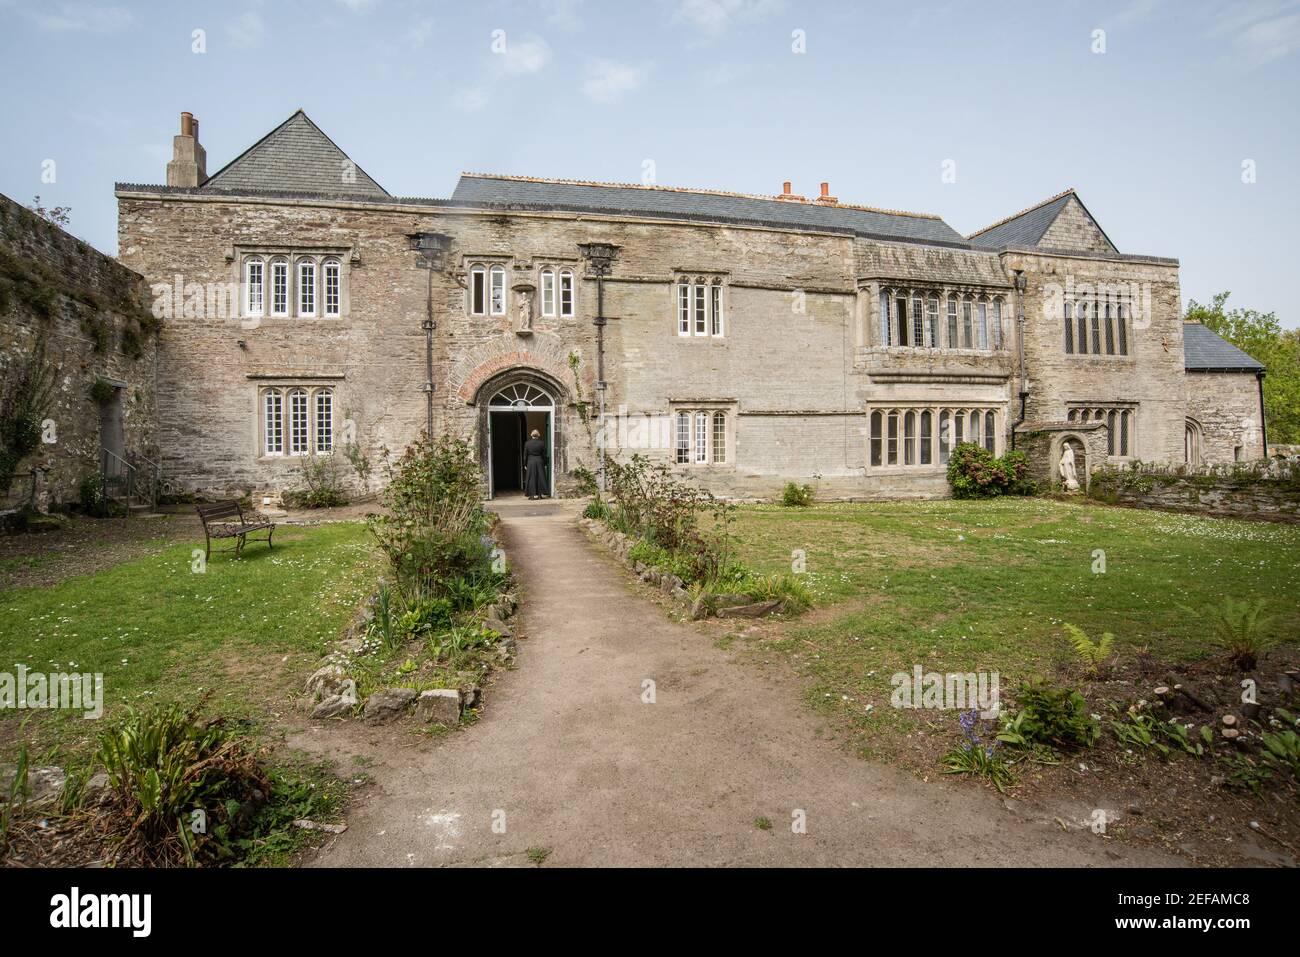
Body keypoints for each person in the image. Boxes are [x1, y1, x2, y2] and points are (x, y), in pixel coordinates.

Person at [523, 428, 548, 499]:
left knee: (531, 478)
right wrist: (545, 463)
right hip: (539, 461)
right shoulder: (542, 443)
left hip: (530, 462)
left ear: (531, 435)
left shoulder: (527, 443)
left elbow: (525, 455)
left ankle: (532, 495)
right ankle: (540, 495)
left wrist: (525, 464)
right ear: (538, 435)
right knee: (540, 477)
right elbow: (544, 455)